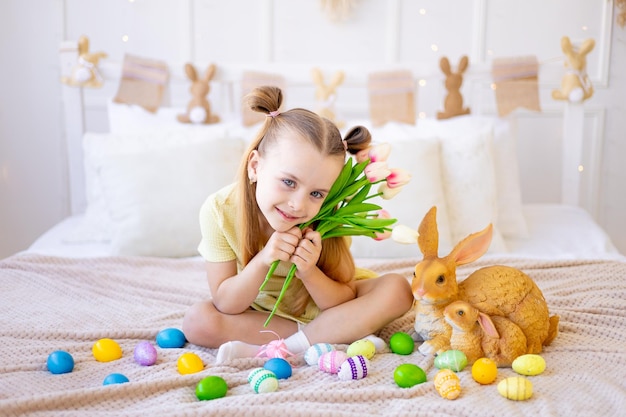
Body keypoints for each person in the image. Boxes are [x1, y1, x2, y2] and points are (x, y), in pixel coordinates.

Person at [182, 85, 414, 363]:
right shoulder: (220, 210)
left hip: (323, 307)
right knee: (198, 321)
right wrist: (264, 260)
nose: (299, 205)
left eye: (316, 193)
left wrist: (308, 271)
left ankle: (289, 347)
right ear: (255, 166)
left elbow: (340, 300)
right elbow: (225, 303)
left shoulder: (327, 216)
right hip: (261, 312)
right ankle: (338, 334)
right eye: (289, 182)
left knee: (398, 289)